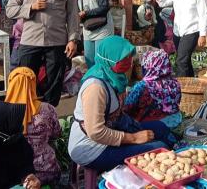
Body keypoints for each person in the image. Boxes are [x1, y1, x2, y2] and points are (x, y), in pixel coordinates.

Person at [68, 36, 174, 173]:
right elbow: (96, 132)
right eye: (123, 58)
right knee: (159, 147)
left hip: (113, 129)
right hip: (92, 148)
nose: (129, 62)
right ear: (108, 59)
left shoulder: (116, 77)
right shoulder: (95, 87)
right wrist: (134, 138)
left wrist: (133, 127)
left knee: (161, 128)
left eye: (129, 57)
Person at [6, 0, 80, 107]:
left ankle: (49, 117)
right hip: (30, 41)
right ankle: (24, 117)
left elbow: (73, 16)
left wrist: (73, 39)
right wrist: (30, 7)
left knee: (54, 85)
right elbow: (10, 10)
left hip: (57, 42)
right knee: (25, 81)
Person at [5, 67, 61, 185]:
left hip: (14, 174)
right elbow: (57, 133)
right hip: (47, 170)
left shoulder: (2, 115)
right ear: (33, 84)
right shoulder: (47, 109)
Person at [155, 0, 207, 77]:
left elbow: (203, 14)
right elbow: (162, 3)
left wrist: (203, 35)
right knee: (185, 59)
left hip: (192, 31)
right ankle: (190, 83)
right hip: (177, 32)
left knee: (181, 61)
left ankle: (180, 87)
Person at [124, 50, 182, 128]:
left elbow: (127, 108)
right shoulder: (174, 83)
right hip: (175, 121)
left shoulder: (142, 86)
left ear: (149, 65)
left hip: (151, 125)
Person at [71, 0, 114, 68]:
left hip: (103, 29)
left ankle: (101, 79)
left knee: (100, 58)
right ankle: (92, 78)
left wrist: (86, 13)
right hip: (88, 30)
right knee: (89, 58)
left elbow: (104, 7)